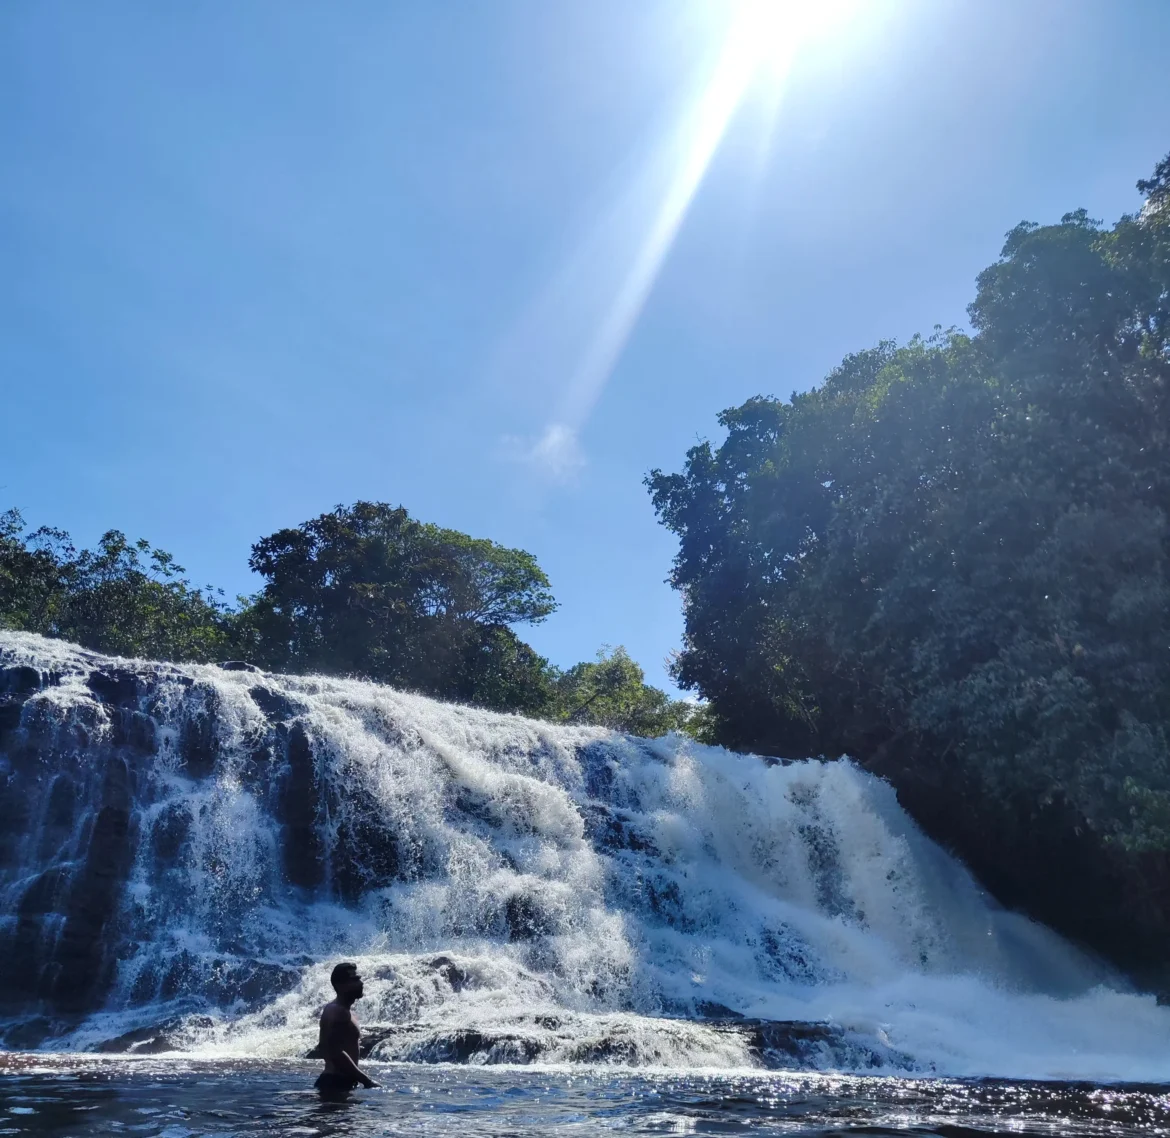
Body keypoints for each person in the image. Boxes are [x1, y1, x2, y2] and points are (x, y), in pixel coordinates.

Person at [314, 961, 378, 1098]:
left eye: (359, 979)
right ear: (340, 985)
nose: (360, 983)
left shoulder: (348, 1013)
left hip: (343, 1083)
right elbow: (332, 1051)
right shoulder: (335, 1011)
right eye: (354, 979)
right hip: (333, 1083)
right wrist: (366, 1080)